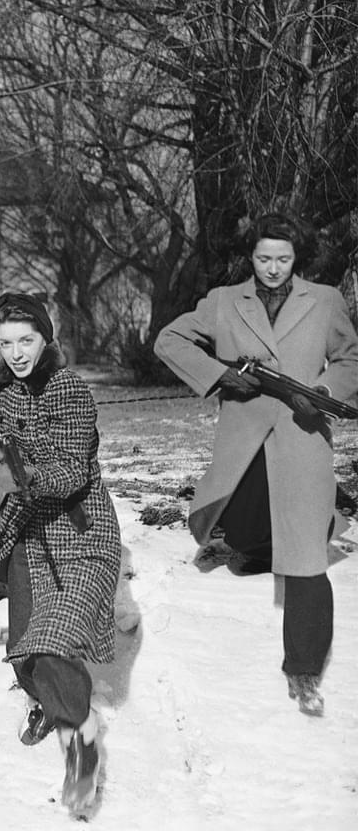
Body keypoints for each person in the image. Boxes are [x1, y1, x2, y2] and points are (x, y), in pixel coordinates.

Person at [154, 212, 358, 717]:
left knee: (306, 557)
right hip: (243, 441)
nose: (273, 268)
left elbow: (351, 358)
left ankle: (304, 671)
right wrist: (220, 375)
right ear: (252, 257)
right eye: (264, 258)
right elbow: (168, 340)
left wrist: (324, 392)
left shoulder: (326, 300)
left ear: (297, 258)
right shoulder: (224, 301)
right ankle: (253, 547)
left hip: (303, 438)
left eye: (283, 259)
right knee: (244, 533)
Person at [0, 292, 120, 815]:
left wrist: (24, 475)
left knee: (54, 641)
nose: (16, 353)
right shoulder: (3, 388)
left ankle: (82, 737)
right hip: (29, 535)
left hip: (81, 532)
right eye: (5, 343)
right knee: (25, 647)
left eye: (26, 340)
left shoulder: (70, 390)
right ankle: (47, 702)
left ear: (45, 337)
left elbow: (76, 469)